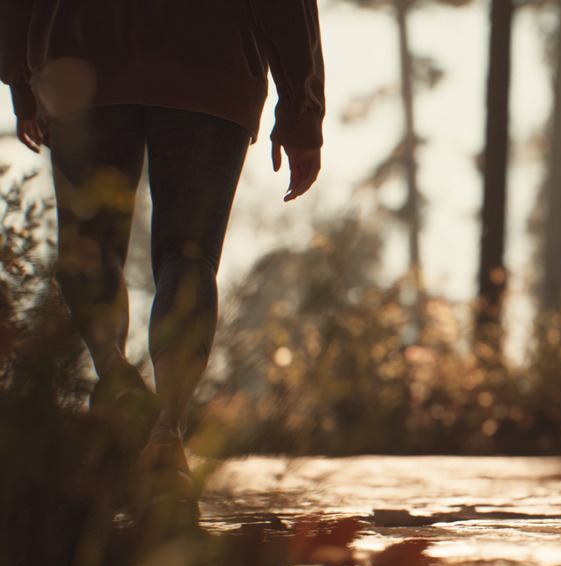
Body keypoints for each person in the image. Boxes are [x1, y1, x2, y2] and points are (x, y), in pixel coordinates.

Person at [0, 0, 324, 521]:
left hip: (81, 48)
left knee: (90, 249)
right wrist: (301, 108)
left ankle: (118, 379)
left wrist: (21, 76)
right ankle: (166, 433)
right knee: (189, 254)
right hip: (212, 57)